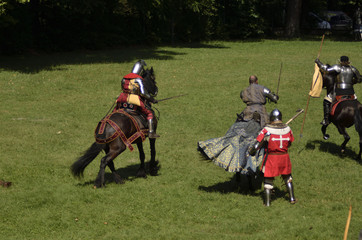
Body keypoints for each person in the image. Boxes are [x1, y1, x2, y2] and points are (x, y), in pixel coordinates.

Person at [249, 109, 296, 206]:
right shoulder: (287, 129)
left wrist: (251, 152)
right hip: (284, 157)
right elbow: (290, 143)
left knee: (268, 179)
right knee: (287, 177)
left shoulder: (267, 130)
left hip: (272, 158)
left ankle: (267, 203)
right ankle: (292, 198)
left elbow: (256, 146)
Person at [116, 60, 160, 138]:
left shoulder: (124, 78)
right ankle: (151, 132)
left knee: (115, 110)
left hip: (122, 98)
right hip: (134, 99)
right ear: (140, 70)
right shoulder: (138, 79)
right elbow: (143, 93)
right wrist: (152, 99)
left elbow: (122, 88)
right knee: (149, 113)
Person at [315, 56, 361, 125]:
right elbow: (359, 79)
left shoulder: (338, 67)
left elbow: (326, 70)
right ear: (348, 61)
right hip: (351, 92)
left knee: (327, 100)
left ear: (340, 61)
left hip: (339, 91)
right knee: (357, 102)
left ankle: (326, 120)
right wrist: (353, 81)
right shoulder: (353, 69)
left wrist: (318, 62)